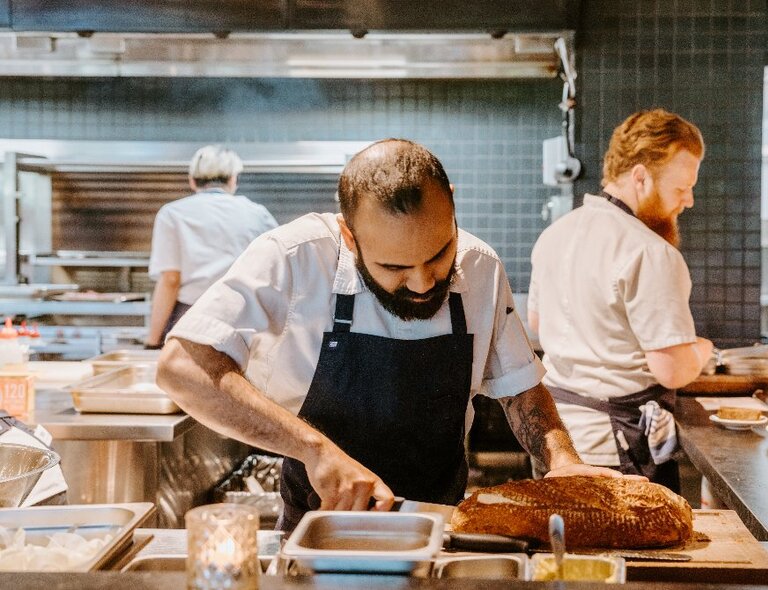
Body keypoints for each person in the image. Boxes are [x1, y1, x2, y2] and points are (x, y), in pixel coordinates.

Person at [157, 138, 632, 531]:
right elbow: (182, 367)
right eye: (394, 267)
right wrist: (313, 449)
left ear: (453, 205)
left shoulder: (481, 267)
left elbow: (521, 390)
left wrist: (563, 461)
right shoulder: (295, 257)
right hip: (317, 530)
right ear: (349, 236)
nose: (424, 283)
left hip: (443, 526)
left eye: (439, 254)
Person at [527, 109, 715, 491]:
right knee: (632, 551)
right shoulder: (650, 252)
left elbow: (538, 325)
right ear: (641, 177)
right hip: (613, 450)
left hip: (552, 440)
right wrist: (702, 350)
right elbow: (672, 370)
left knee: (561, 548)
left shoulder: (556, 234)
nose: (689, 201)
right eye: (681, 189)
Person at [144, 145, 278, 348]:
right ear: (233, 179)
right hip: (242, 319)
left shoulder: (172, 214)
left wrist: (152, 341)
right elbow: (276, 272)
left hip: (190, 318)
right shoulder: (258, 214)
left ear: (192, 180)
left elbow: (170, 280)